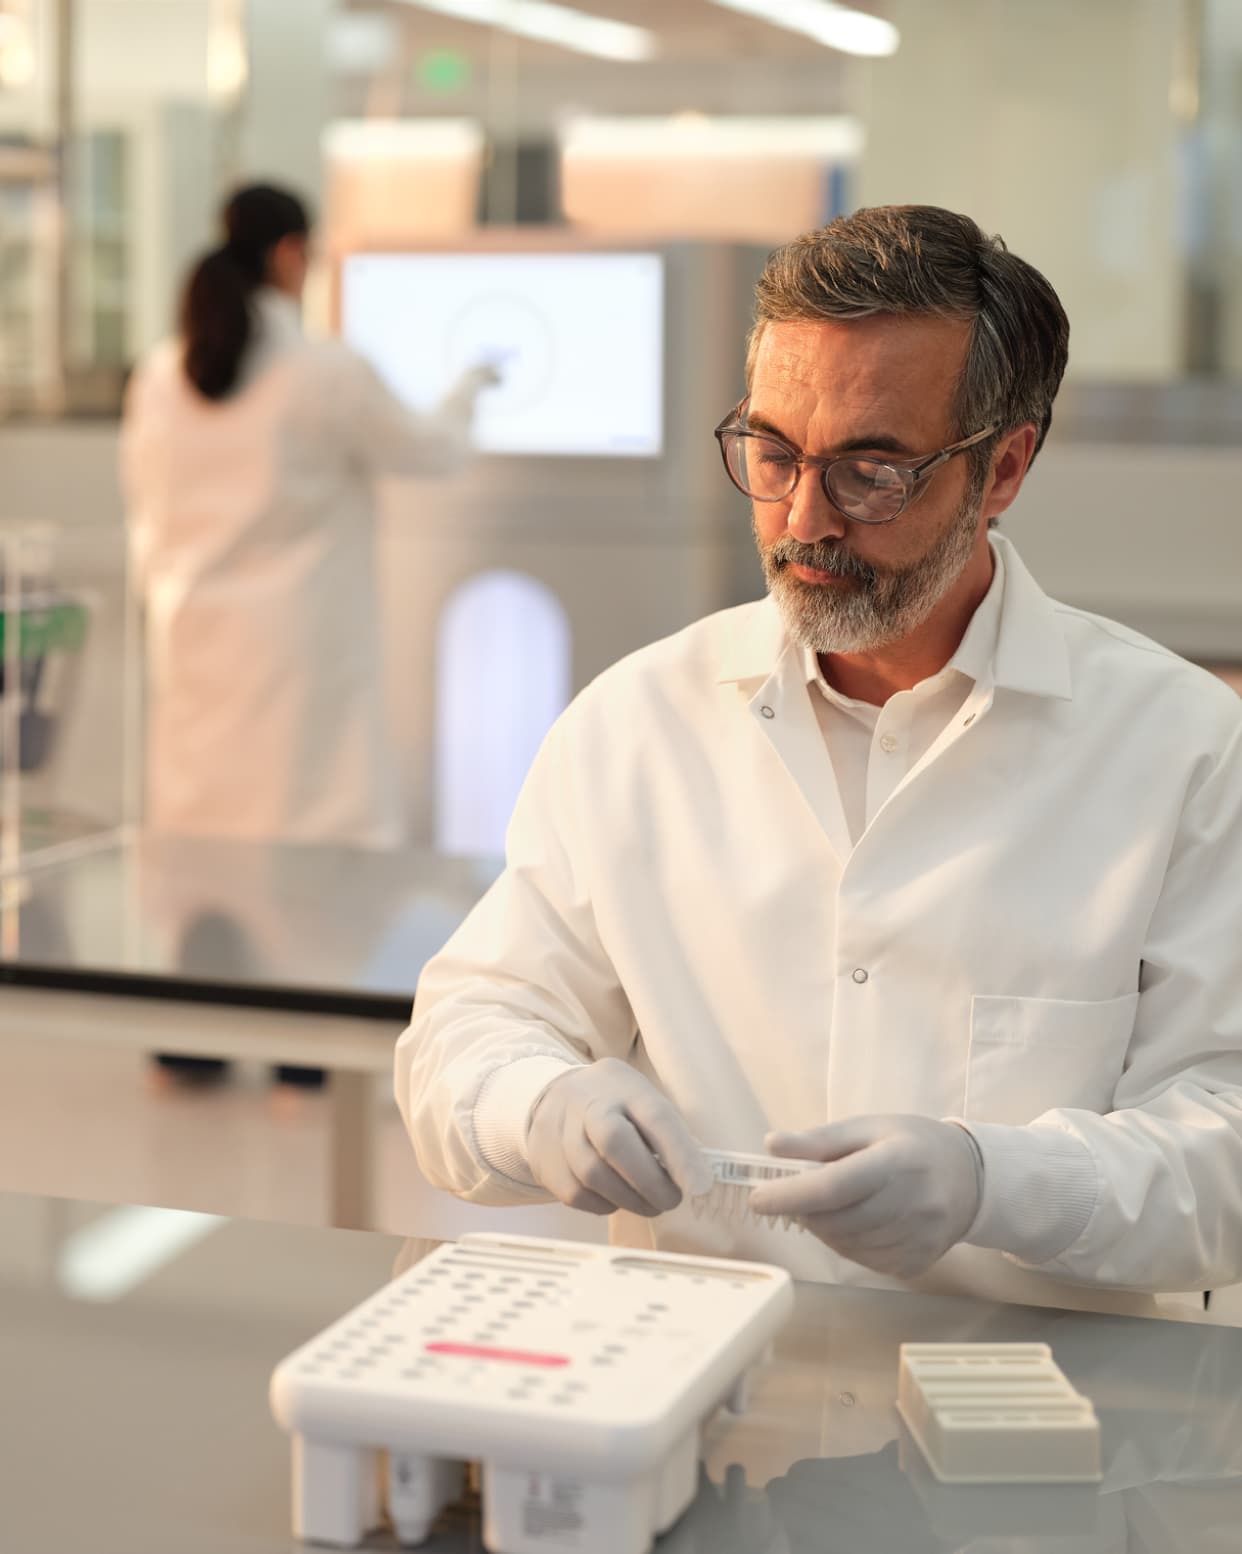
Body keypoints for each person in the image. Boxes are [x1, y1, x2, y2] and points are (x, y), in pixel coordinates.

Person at [395, 204, 1242, 1316]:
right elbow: (469, 1028)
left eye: (870, 471)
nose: (803, 518)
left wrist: (998, 1184)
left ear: (1003, 469)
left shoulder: (1180, 750)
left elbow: (1225, 1149)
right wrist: (539, 1104)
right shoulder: (637, 726)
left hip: (1039, 1433)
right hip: (700, 1395)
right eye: (773, 451)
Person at [123, 182, 494, 1089]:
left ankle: (191, 1044)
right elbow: (432, 451)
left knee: (203, 843)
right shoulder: (324, 374)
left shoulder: (162, 375)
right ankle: (302, 1059)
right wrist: (472, 385)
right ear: (290, 254)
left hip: (194, 645)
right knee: (310, 848)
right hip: (297, 654)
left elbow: (145, 510)